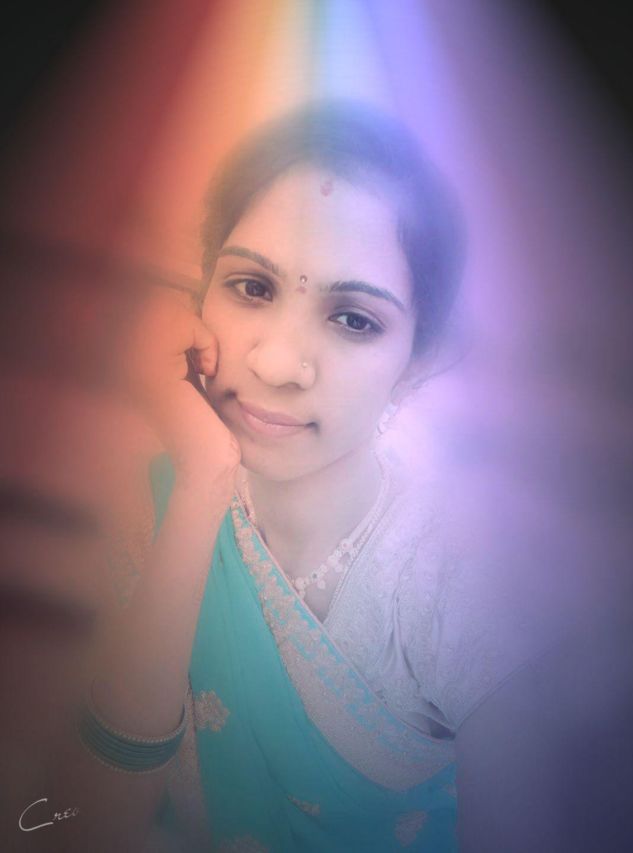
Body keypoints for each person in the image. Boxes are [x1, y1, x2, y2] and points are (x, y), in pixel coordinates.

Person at [64, 101, 574, 853]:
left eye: (354, 319)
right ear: (201, 291)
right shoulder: (158, 495)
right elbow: (92, 825)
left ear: (420, 361)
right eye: (252, 287)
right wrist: (201, 488)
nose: (276, 365)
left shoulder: (466, 580)